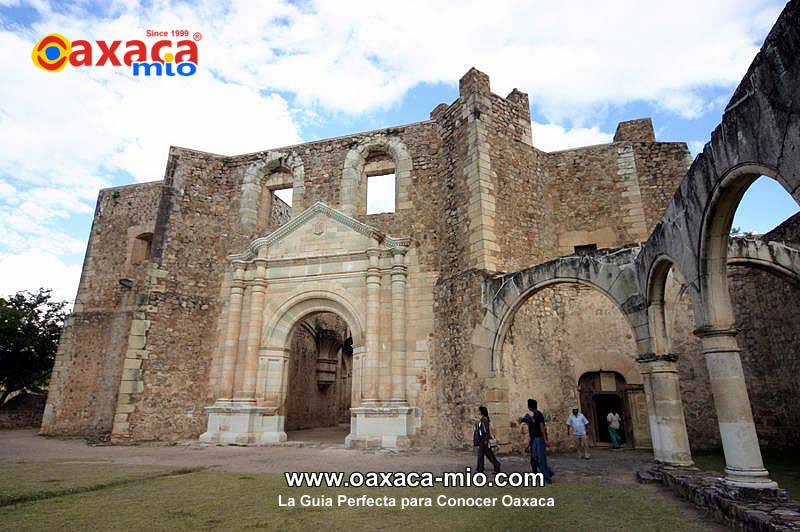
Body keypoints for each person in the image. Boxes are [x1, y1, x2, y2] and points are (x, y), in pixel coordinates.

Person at [519, 398, 553, 483]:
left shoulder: (538, 415)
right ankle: (548, 472)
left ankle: (547, 477)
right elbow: (533, 430)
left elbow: (542, 427)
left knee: (541, 459)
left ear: (530, 407)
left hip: (539, 439)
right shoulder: (534, 416)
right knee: (535, 458)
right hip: (535, 439)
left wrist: (545, 439)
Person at [475, 405, 501, 474]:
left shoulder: (484, 420)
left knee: (488, 455)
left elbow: (485, 431)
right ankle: (480, 468)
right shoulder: (484, 419)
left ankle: (496, 465)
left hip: (484, 440)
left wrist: (485, 440)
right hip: (483, 440)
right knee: (482, 454)